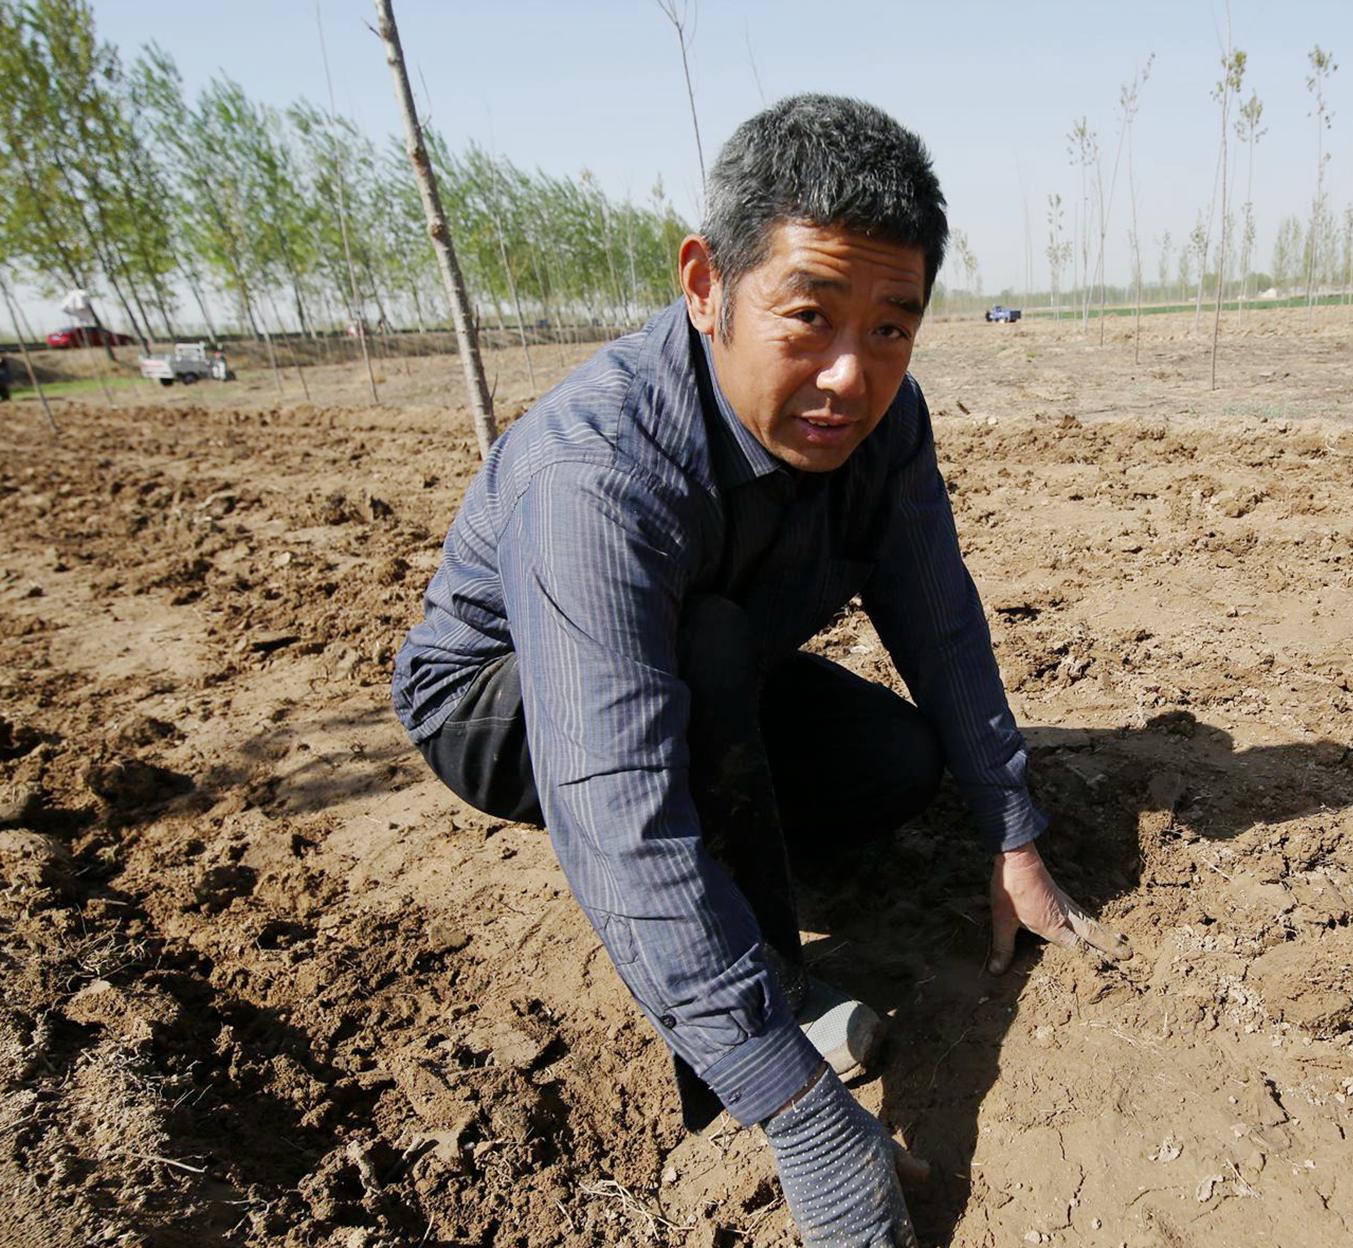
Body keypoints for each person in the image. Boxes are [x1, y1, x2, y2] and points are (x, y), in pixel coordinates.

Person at [390, 94, 1128, 1246]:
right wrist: (802, 1113)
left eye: (890, 327)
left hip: (712, 654)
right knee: (697, 670)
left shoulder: (882, 421)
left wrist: (1011, 830)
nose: (847, 374)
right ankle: (758, 1009)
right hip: (507, 698)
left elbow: (937, 619)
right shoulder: (594, 471)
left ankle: (739, 858)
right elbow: (615, 805)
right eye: (808, 316)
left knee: (896, 763)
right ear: (704, 285)